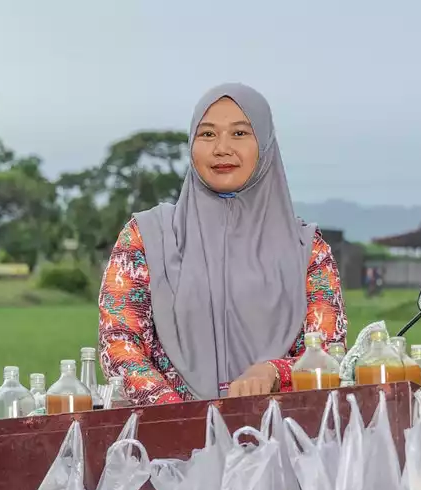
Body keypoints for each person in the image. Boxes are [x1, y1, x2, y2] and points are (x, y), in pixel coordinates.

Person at [99, 83, 347, 404]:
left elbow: (329, 350)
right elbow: (120, 340)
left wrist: (274, 372)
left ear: (266, 144)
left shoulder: (307, 250)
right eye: (207, 134)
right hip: (169, 441)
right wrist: (177, 416)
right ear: (191, 144)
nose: (222, 148)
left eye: (240, 134)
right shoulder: (146, 237)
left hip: (282, 436)